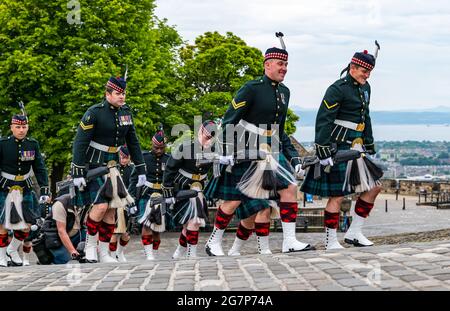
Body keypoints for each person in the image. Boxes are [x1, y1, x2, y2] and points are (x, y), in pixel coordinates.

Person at [204, 34, 314, 256]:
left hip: (271, 149)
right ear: (267, 65)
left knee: (290, 187)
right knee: (233, 200)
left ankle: (289, 241)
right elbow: (229, 121)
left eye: (286, 65)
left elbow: (280, 131)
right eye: (280, 64)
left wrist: (293, 158)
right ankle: (213, 242)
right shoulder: (251, 88)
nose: (284, 68)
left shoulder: (285, 93)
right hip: (245, 149)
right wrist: (225, 152)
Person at [300, 45, 383, 249]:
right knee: (337, 194)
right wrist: (322, 148)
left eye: (370, 72)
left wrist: (369, 141)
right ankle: (330, 241)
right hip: (337, 147)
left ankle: (354, 233)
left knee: (374, 187)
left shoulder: (365, 88)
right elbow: (324, 118)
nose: (367, 75)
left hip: (356, 147)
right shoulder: (337, 88)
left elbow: (366, 116)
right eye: (364, 71)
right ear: (353, 68)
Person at [70, 75, 147, 263]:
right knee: (101, 206)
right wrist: (78, 170)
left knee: (112, 210)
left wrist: (141, 168)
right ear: (108, 94)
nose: (122, 97)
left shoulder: (126, 112)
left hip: (113, 165)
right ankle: (89, 248)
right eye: (118, 93)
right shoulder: (94, 112)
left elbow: (133, 142)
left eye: (124, 93)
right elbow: (80, 142)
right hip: (94, 165)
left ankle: (104, 253)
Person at [0, 112, 50, 267]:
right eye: (18, 127)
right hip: (4, 188)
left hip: (25, 188)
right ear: (12, 128)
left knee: (28, 225)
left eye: (24, 127)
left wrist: (44, 190)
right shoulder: (2, 144)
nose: (21, 130)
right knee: (2, 224)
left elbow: (40, 168)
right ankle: (1, 256)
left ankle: (12, 249)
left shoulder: (33, 144)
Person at [165, 120, 216, 259]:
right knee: (193, 221)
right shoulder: (185, 147)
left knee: (189, 224)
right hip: (183, 188)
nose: (208, 137)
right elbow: (170, 168)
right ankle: (191, 254)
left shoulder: (213, 150)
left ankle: (180, 252)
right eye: (207, 133)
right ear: (201, 130)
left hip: (199, 190)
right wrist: (168, 192)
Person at [129, 130, 169, 260]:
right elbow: (134, 180)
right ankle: (149, 255)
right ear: (152, 145)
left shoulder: (169, 160)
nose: (158, 151)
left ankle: (155, 252)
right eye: (156, 148)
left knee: (157, 228)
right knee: (147, 225)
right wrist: (132, 199)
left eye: (161, 148)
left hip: (161, 196)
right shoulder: (143, 158)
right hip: (146, 194)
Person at [109, 146, 134, 262]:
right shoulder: (114, 168)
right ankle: (113, 255)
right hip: (115, 203)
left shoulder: (133, 169)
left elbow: (133, 186)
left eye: (126, 158)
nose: (124, 160)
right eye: (122, 157)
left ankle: (120, 252)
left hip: (127, 203)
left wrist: (133, 202)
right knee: (114, 232)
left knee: (125, 234)